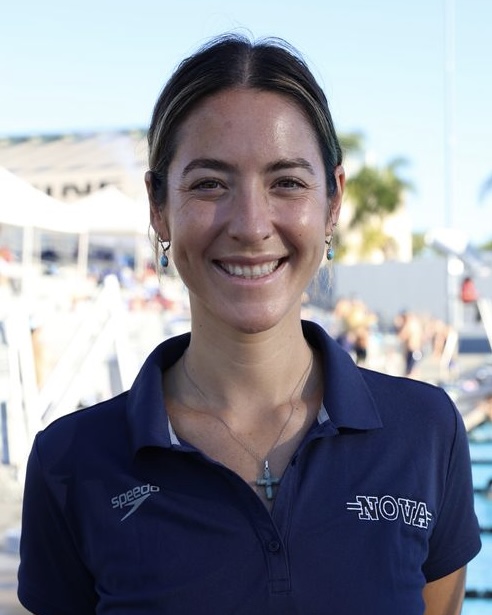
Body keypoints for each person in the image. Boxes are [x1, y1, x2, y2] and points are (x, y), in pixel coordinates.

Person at [18, 33, 481, 615]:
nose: (251, 224)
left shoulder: (425, 433)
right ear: (159, 207)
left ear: (333, 202)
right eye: (210, 183)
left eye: (286, 182)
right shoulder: (72, 461)